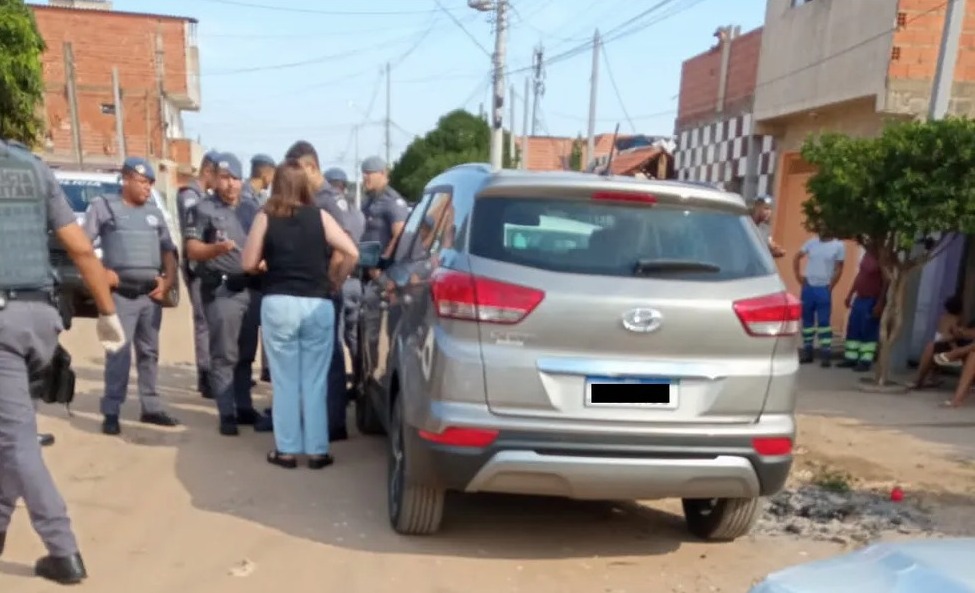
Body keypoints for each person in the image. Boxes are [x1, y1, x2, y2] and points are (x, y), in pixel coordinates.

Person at [0, 138, 125, 584]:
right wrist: (107, 313)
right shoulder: (33, 168)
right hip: (39, 320)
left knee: (16, 442)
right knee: (12, 436)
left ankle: (64, 551)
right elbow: (80, 248)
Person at [242, 160, 359, 468]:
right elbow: (352, 252)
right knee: (315, 380)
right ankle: (319, 451)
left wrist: (267, 264)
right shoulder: (321, 217)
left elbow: (247, 263)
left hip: (278, 301)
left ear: (277, 185)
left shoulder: (265, 217)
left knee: (284, 380)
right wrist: (336, 279)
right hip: (317, 303)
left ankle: (287, 450)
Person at [83, 157, 181, 435]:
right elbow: (82, 245)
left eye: (150, 183)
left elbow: (168, 250)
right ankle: (111, 411)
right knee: (118, 354)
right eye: (142, 182)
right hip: (121, 295)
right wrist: (102, 273)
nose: (148, 188)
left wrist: (168, 280)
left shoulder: (154, 212)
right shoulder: (104, 207)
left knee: (149, 353)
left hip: (150, 295)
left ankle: (151, 407)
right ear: (125, 180)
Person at [184, 153, 265, 436]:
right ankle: (226, 412)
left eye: (235, 178)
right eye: (225, 178)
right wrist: (215, 250)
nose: (230, 184)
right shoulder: (203, 209)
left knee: (246, 354)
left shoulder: (253, 210)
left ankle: (244, 406)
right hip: (222, 290)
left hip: (251, 289)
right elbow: (192, 250)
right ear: (216, 178)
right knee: (224, 354)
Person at [285, 141, 361, 441]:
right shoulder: (318, 197)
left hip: (325, 290)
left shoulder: (328, 200)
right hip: (317, 290)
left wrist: (331, 283)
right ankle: (325, 418)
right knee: (321, 356)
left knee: (329, 356)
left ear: (310, 167)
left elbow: (344, 250)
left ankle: (333, 422)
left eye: (296, 170)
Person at [359, 155, 410, 396]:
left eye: (370, 173)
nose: (365, 177)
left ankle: (381, 377)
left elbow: (399, 235)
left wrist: (382, 264)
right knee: (366, 330)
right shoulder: (369, 202)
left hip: (384, 276)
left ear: (383, 174)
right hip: (366, 274)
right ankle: (367, 376)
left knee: (383, 331)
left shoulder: (393, 202)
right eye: (364, 173)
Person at [176, 150, 219, 399]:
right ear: (207, 172)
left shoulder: (203, 196)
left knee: (210, 322)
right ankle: (205, 375)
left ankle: (212, 372)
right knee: (203, 322)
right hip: (196, 265)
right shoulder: (190, 196)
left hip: (207, 264)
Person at [325, 167, 365, 396]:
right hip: (355, 281)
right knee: (354, 337)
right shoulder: (357, 213)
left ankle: (336, 394)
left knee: (335, 340)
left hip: (337, 279)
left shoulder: (329, 210)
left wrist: (333, 280)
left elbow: (340, 250)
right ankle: (359, 383)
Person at [793, 229, 846, 366]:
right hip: (808, 287)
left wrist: (832, 285)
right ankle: (808, 352)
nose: (822, 230)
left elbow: (840, 268)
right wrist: (798, 276)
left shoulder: (838, 245)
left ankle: (825, 354)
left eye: (825, 227)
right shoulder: (811, 242)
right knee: (807, 323)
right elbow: (797, 256)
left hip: (824, 288)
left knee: (824, 323)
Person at [838, 245, 886, 372]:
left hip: (872, 299)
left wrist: (880, 302)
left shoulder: (883, 257)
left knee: (868, 330)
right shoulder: (867, 254)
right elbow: (860, 275)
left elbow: (886, 282)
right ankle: (851, 358)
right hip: (860, 298)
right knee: (854, 328)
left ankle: (865, 361)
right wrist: (850, 294)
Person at [911, 295, 968, 389]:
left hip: (938, 338)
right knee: (944, 347)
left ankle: (926, 378)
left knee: (932, 352)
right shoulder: (956, 319)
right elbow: (955, 333)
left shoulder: (943, 317)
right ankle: (931, 378)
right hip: (946, 340)